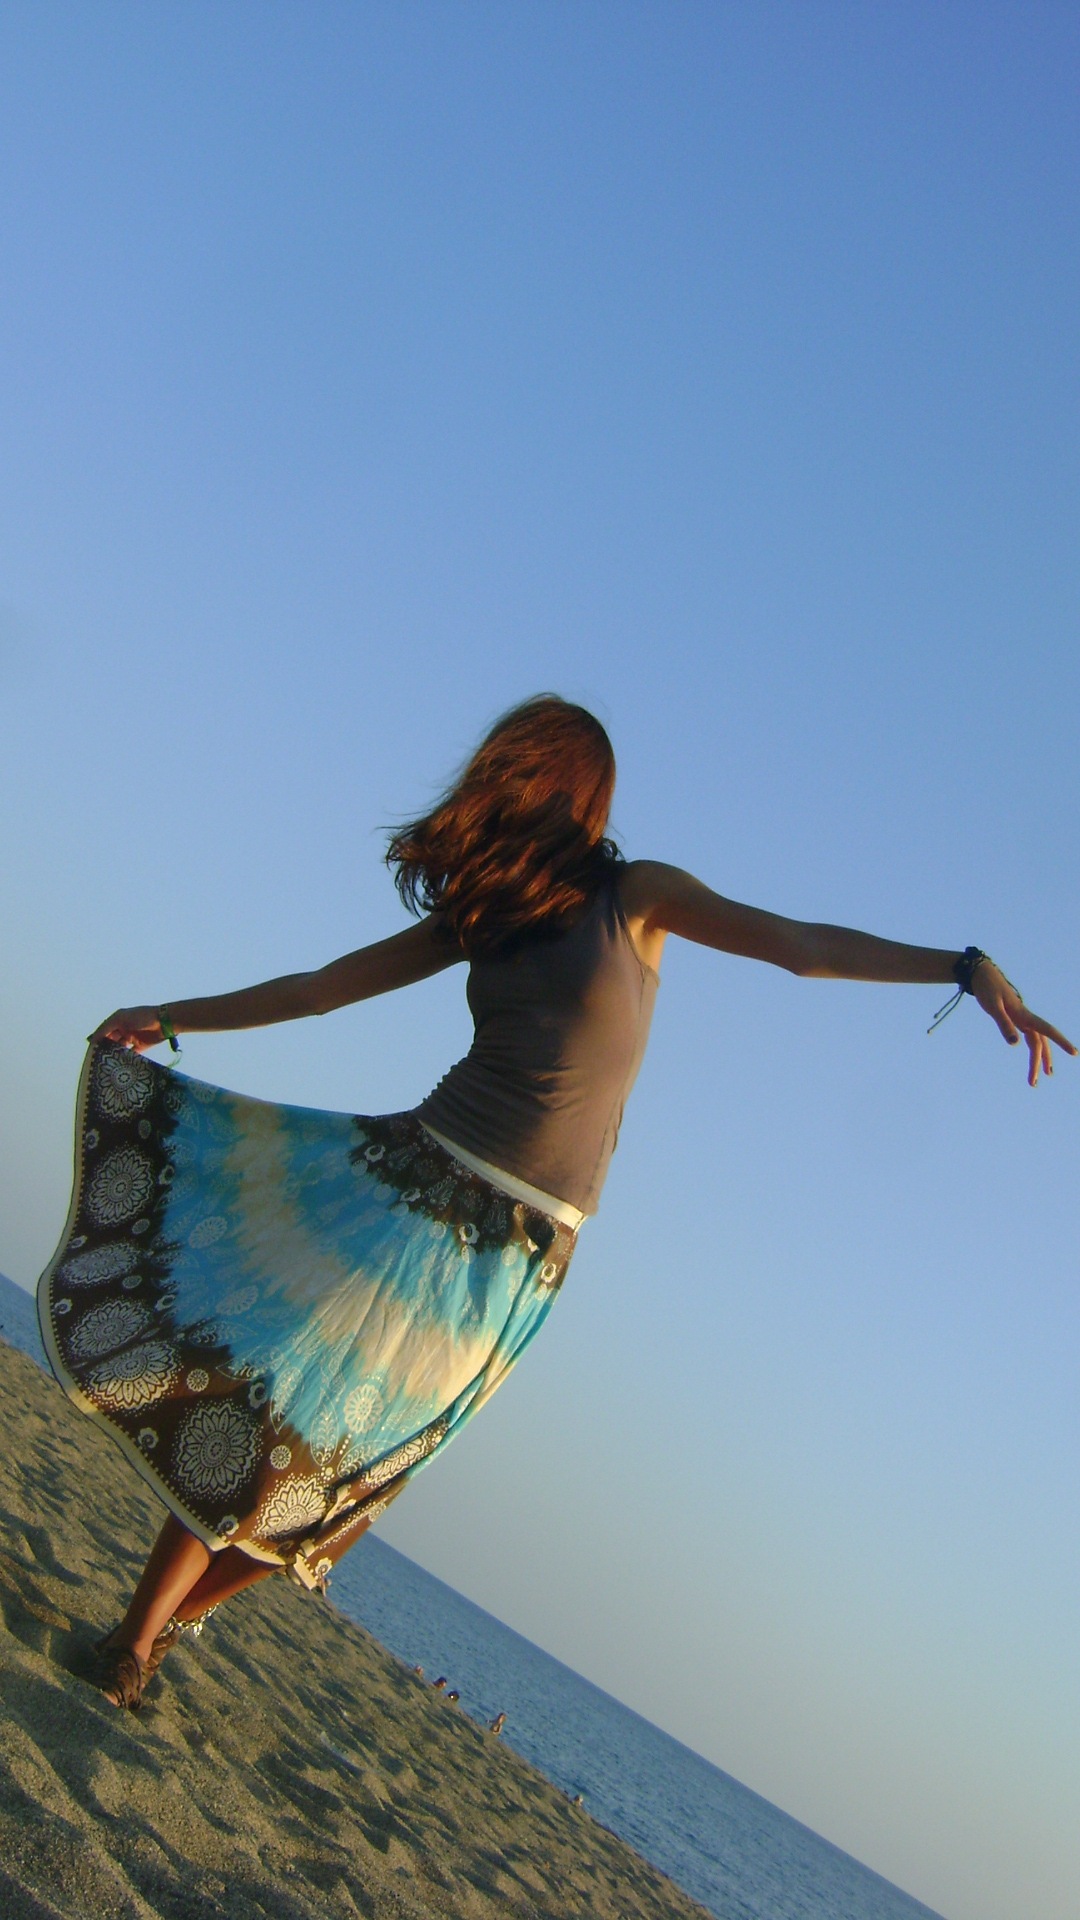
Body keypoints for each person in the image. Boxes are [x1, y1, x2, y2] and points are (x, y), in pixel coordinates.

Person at [38, 695, 1073, 1712]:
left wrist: (964, 967)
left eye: (526, 770)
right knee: (283, 1410)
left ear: (563, 789)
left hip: (523, 1257)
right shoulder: (489, 913)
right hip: (416, 1187)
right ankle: (135, 1637)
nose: (511, 786)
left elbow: (801, 946)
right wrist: (171, 1016)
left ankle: (167, 1627)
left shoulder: (637, 897)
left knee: (353, 1485)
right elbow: (322, 988)